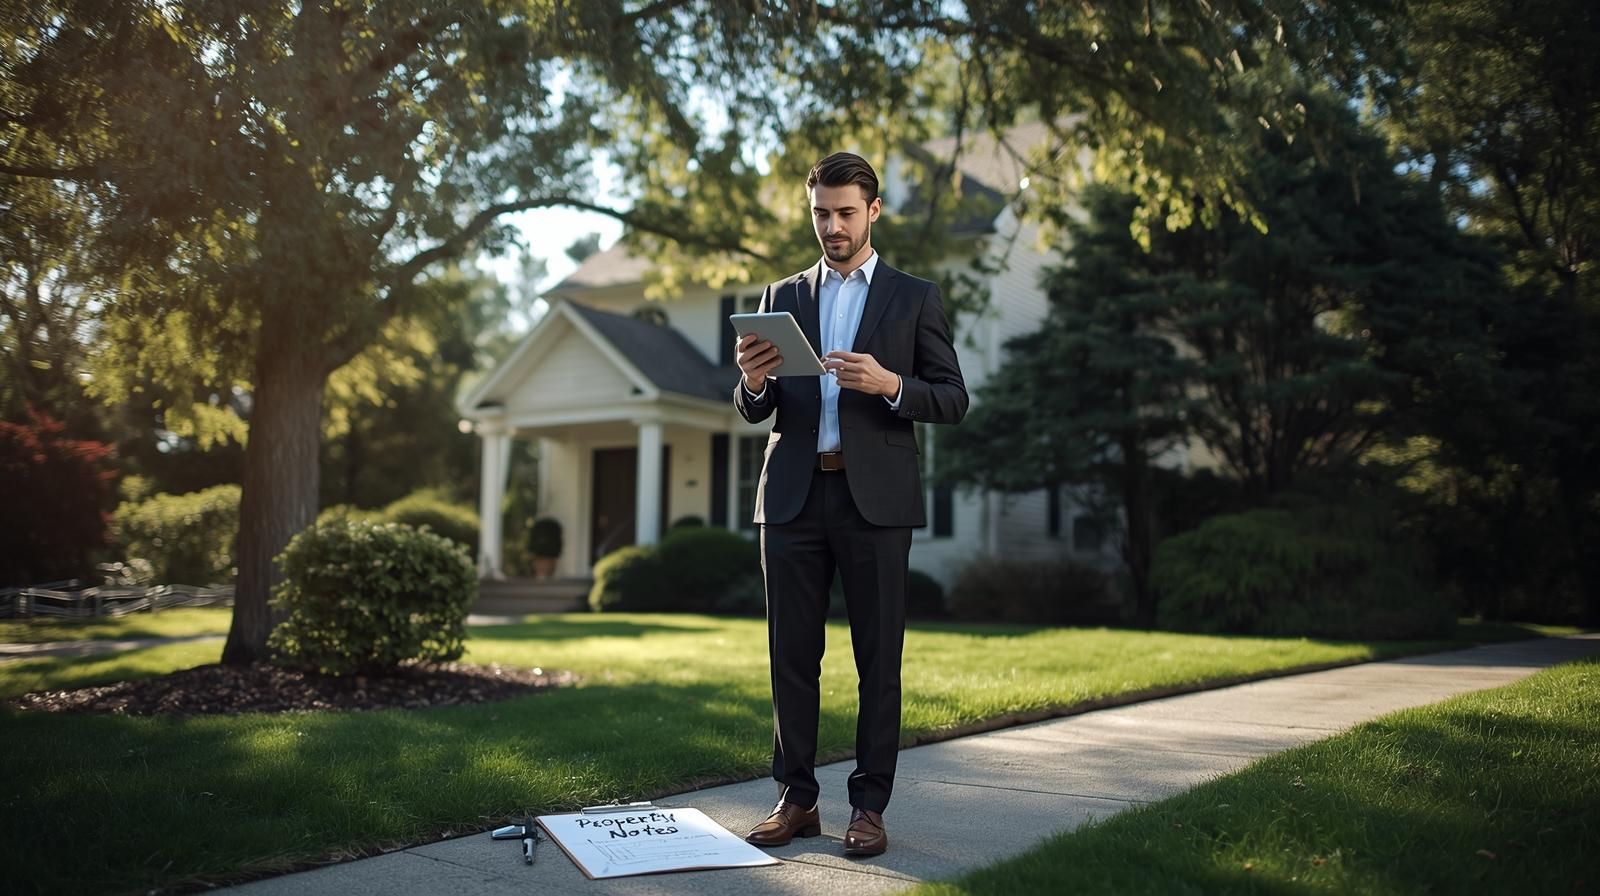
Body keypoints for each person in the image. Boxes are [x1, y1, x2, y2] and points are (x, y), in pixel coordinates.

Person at [733, 151, 968, 858]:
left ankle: (868, 807)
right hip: (793, 498)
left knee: (878, 660)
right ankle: (797, 799)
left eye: (844, 213)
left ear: (872, 212)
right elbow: (759, 408)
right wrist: (750, 382)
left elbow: (953, 398)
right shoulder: (782, 293)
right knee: (790, 657)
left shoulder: (913, 296)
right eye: (820, 214)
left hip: (877, 500)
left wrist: (889, 382)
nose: (831, 226)